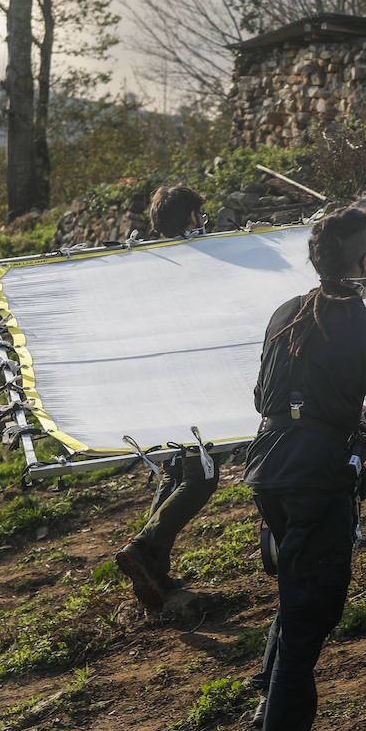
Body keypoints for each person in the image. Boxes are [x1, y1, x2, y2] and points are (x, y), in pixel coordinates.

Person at [245, 206, 366, 731]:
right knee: (314, 609)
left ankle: (268, 696)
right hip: (318, 477)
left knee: (296, 591)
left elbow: (261, 399)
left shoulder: (285, 312)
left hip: (267, 472)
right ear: (363, 262)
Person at [114, 185, 216, 610]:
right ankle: (144, 549)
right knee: (202, 475)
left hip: (158, 384)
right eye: (199, 214)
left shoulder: (145, 261)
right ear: (191, 218)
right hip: (194, 382)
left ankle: (153, 567)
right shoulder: (194, 262)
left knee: (176, 473)